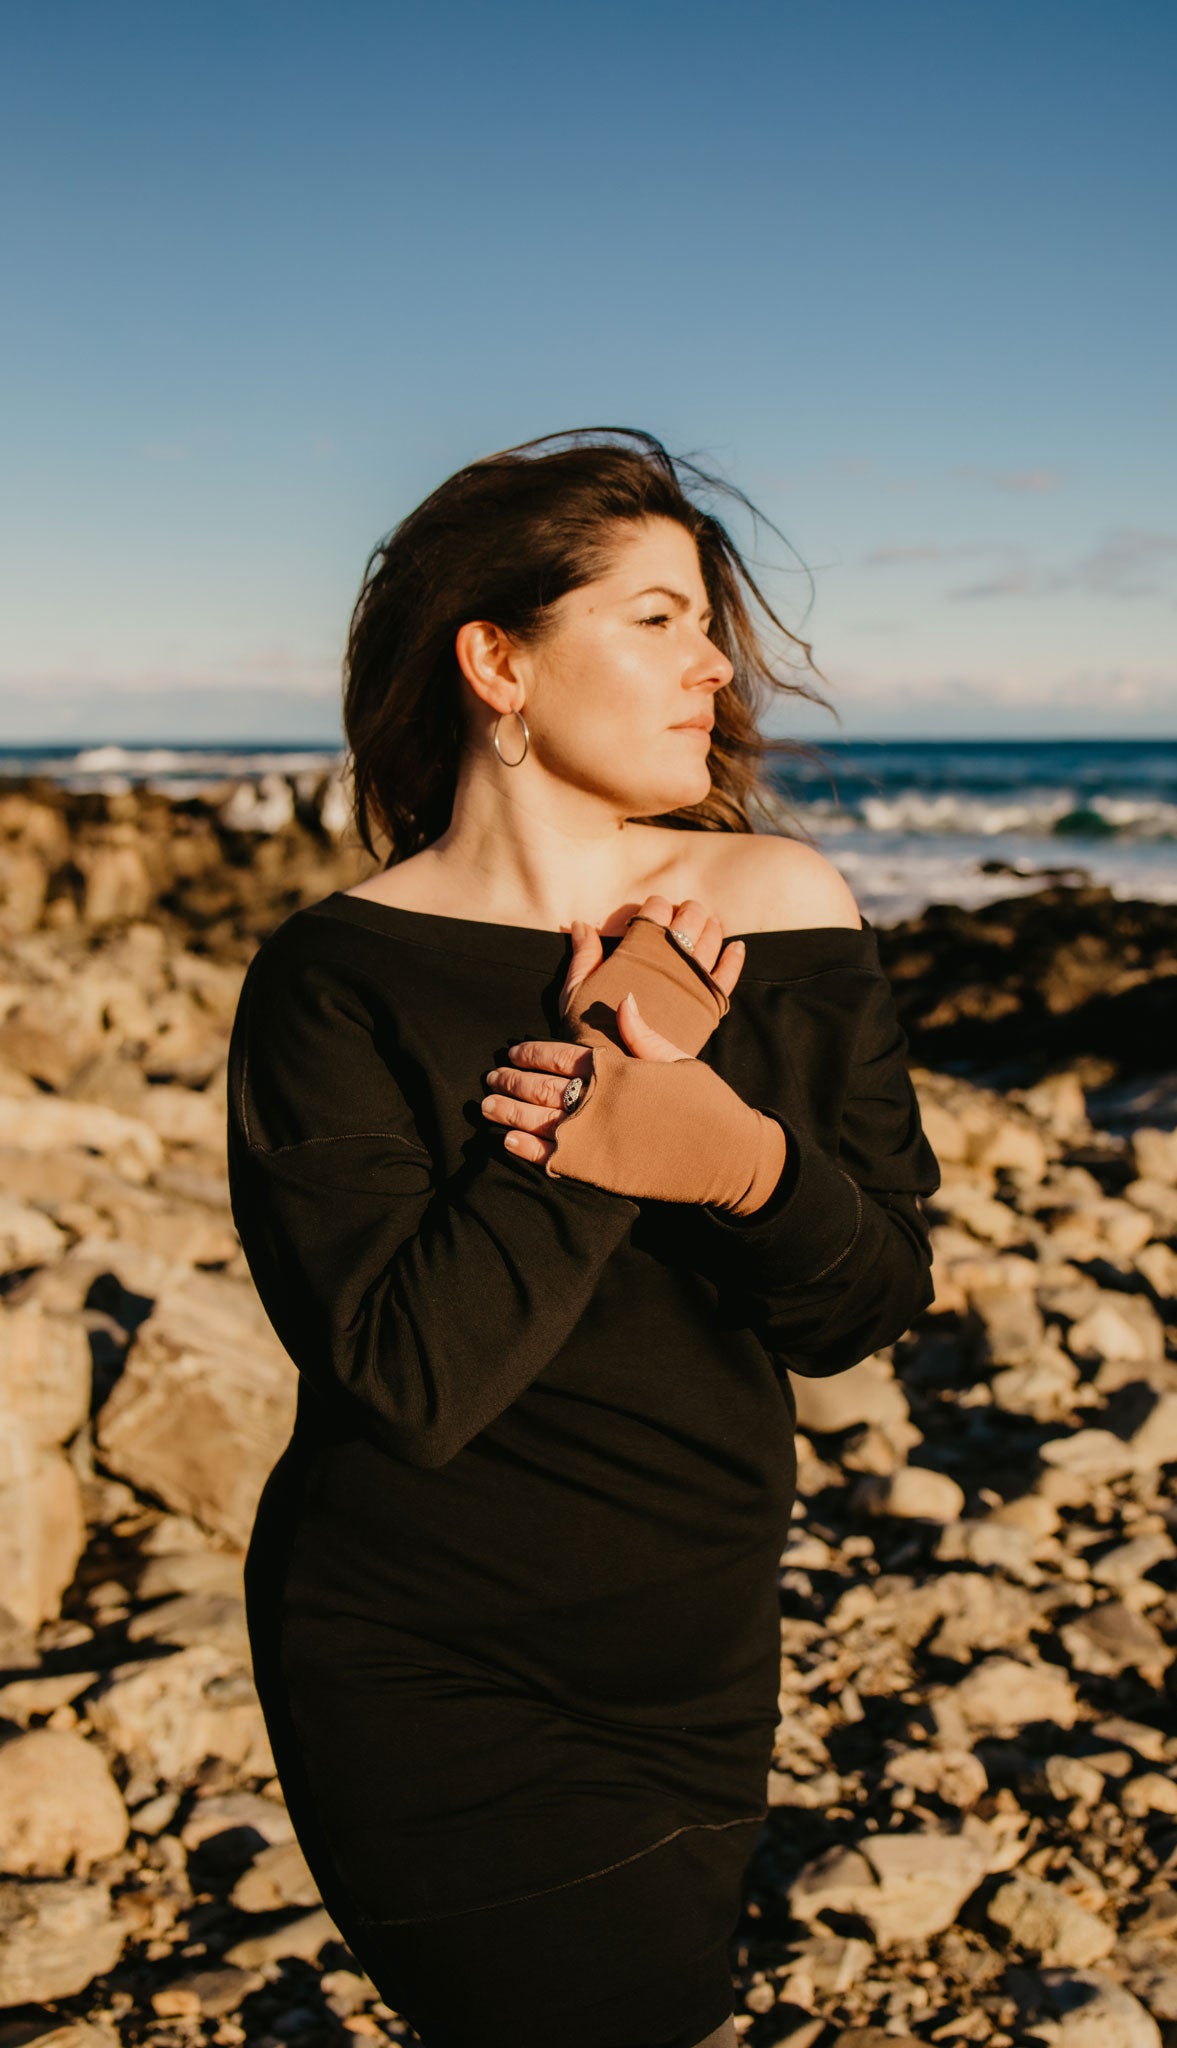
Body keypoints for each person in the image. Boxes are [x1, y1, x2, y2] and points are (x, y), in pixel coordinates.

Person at [225, 427, 940, 2048]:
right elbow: (407, 1377)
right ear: (499, 661)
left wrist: (743, 1160)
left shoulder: (781, 903)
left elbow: (869, 1296)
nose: (713, 665)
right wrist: (606, 1111)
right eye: (657, 619)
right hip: (422, 1669)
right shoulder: (332, 979)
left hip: (696, 1658)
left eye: (707, 623)